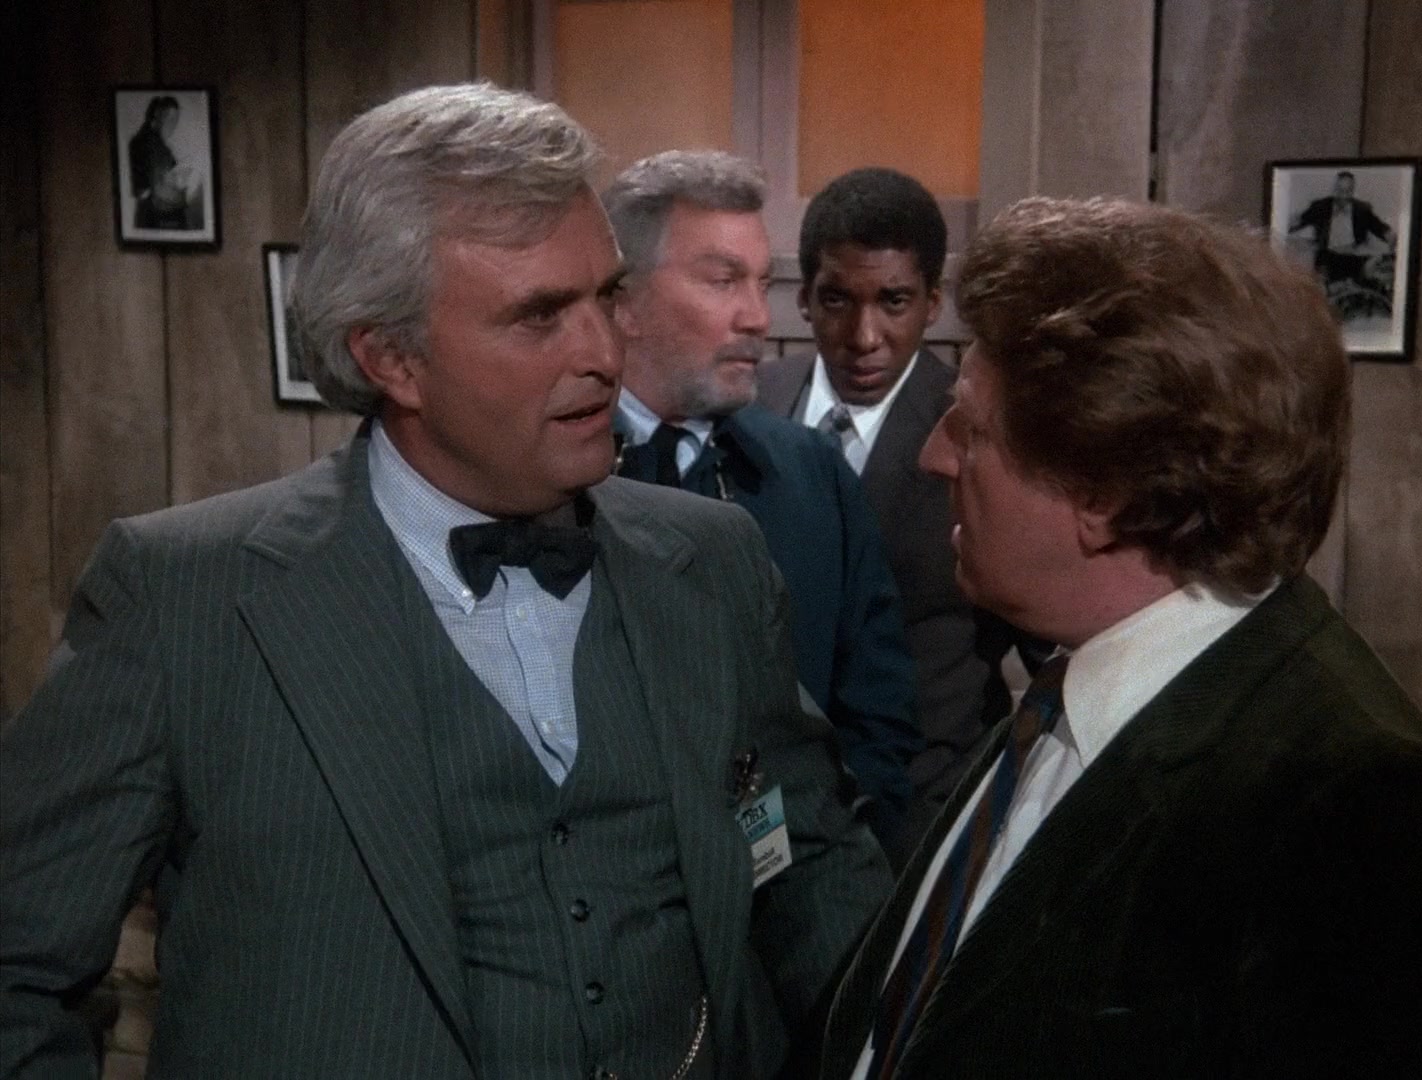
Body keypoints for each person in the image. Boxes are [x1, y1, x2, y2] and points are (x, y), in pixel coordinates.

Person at [0, 84, 892, 1080]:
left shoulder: (713, 561)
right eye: (539, 316)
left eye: (604, 296)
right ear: (391, 357)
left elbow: (810, 864)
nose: (604, 353)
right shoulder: (185, 600)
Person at [821, 196, 1422, 1079]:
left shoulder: (1351, 805)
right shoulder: (1068, 686)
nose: (935, 455)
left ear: (1106, 492)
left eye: (974, 427)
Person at [603, 151, 922, 859]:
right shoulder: (549, 479)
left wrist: (835, 871)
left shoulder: (812, 475)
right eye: (723, 281)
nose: (757, 316)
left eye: (763, 282)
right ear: (623, 300)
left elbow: (877, 713)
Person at [756, 167, 1043, 862]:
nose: (865, 336)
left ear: (933, 303)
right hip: (766, 810)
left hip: (926, 815)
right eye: (837, 300)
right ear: (804, 300)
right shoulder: (750, 406)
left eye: (893, 301)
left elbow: (1051, 637)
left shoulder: (986, 435)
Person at [1288, 169, 1395, 302]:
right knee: (1320, 292)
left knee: (1374, 275)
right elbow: (1299, 221)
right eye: (1340, 191)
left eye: (1348, 191)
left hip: (1353, 258)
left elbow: (1379, 227)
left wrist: (1390, 235)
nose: (1343, 196)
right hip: (1327, 258)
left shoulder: (1362, 209)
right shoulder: (1321, 206)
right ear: (1334, 189)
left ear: (1352, 191)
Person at [127, 95, 196, 230]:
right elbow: (144, 191)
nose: (173, 126)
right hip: (158, 219)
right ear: (158, 117)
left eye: (175, 121)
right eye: (170, 120)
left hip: (159, 217)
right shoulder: (147, 144)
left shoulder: (159, 146)